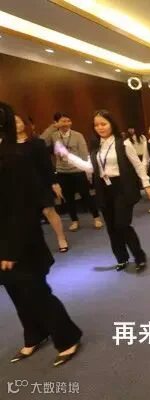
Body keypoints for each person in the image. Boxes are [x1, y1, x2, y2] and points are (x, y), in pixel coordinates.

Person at [0, 102, 82, 367]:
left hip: (19, 238)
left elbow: (23, 206)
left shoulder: (16, 155)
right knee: (15, 291)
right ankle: (34, 334)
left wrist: (11, 249)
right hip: (4, 239)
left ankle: (67, 336)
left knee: (34, 290)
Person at [55, 110, 150, 272]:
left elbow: (137, 165)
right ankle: (121, 258)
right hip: (103, 188)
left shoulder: (123, 143)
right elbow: (89, 167)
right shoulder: (96, 146)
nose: (100, 128)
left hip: (121, 187)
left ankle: (139, 256)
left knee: (122, 224)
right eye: (96, 125)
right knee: (111, 227)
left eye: (103, 124)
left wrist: (147, 183)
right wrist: (68, 156)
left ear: (111, 124)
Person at [15, 114, 69, 252]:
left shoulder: (37, 143)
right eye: (12, 123)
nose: (16, 125)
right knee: (27, 216)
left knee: (49, 211)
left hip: (40, 183)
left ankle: (61, 238)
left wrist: (54, 183)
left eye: (18, 121)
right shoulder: (7, 146)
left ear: (24, 124)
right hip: (21, 186)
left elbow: (46, 165)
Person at [44, 112, 104, 231]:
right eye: (63, 121)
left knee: (86, 196)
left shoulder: (77, 135)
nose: (66, 123)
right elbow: (41, 141)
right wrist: (53, 127)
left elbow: (83, 154)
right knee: (68, 198)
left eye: (68, 121)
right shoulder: (54, 135)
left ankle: (96, 217)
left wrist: (85, 170)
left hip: (77, 171)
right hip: (62, 172)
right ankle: (74, 220)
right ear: (56, 123)